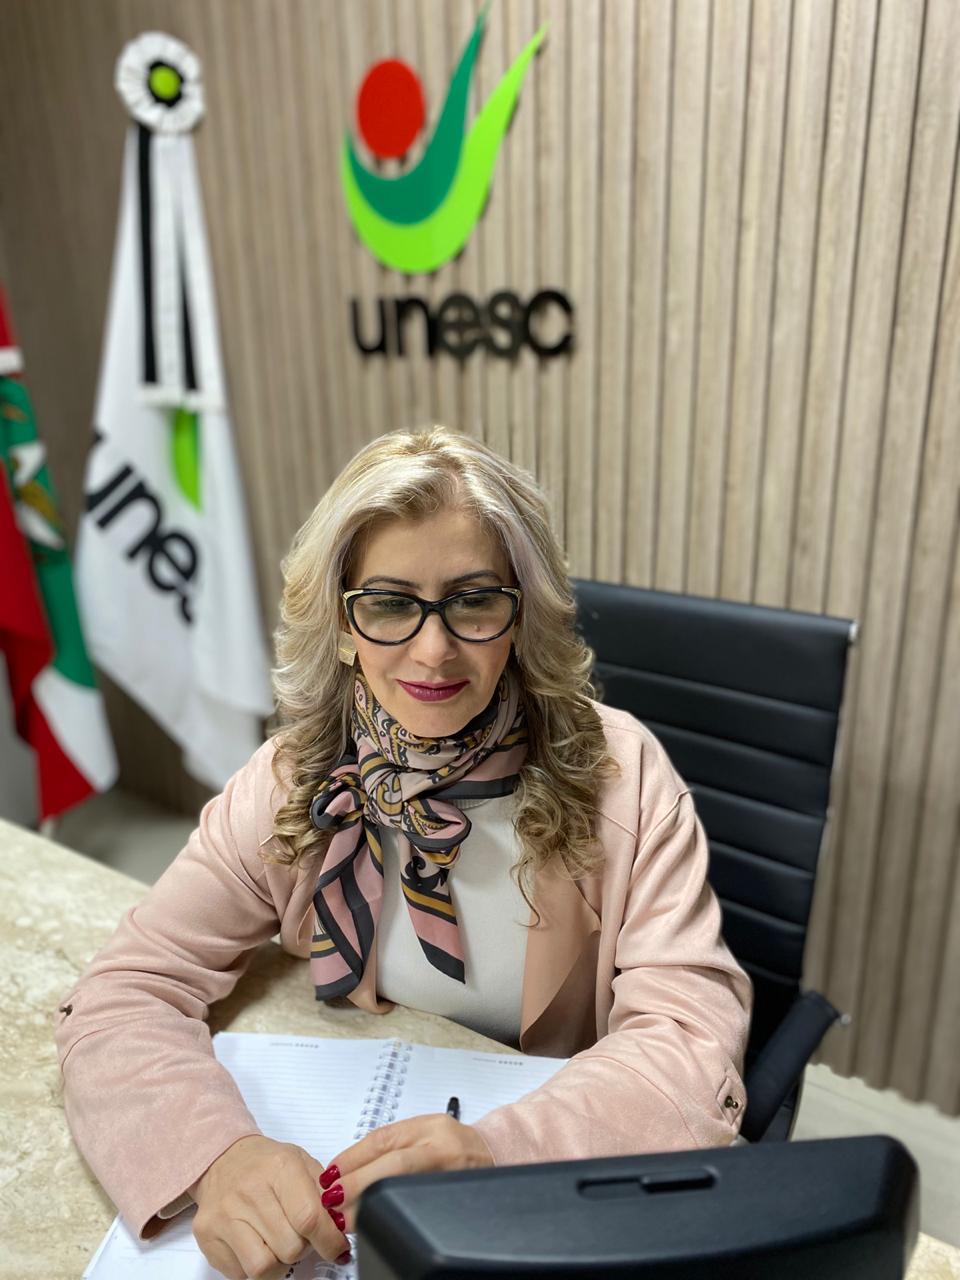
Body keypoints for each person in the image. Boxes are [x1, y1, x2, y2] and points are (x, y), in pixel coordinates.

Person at [55, 426, 752, 1279]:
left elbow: (689, 1042)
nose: (433, 650)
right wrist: (214, 1155)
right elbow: (125, 992)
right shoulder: (293, 779)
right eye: (388, 604)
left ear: (520, 616)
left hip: (537, 1208)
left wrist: (501, 1157)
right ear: (343, 625)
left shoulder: (625, 777)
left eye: (473, 601)